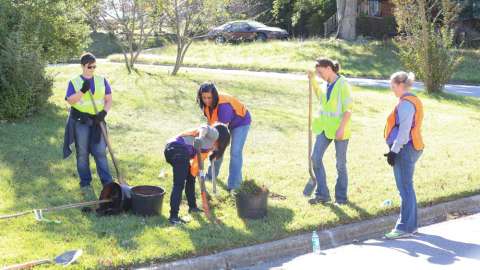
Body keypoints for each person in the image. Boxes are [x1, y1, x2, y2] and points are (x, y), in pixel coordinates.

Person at [63, 53, 113, 211]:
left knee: (100, 152)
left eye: (94, 66)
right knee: (82, 153)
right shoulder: (74, 82)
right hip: (81, 122)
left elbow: (108, 98)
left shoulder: (101, 80)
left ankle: (107, 182)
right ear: (83, 66)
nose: (92, 69)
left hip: (97, 120)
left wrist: (104, 113)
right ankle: (85, 182)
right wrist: (82, 91)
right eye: (90, 66)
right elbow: (70, 100)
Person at [307, 58, 353, 205]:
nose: (320, 75)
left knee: (340, 164)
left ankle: (341, 198)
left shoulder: (343, 85)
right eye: (318, 73)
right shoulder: (326, 84)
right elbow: (321, 97)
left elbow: (348, 110)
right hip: (324, 128)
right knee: (315, 158)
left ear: (328, 68)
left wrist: (341, 128)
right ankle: (322, 194)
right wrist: (313, 80)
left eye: (320, 72)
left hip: (340, 130)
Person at [384, 71, 424, 239]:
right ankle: (411, 226)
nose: (392, 90)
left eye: (393, 87)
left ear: (401, 85)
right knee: (407, 187)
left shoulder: (406, 104)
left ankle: (404, 228)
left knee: (405, 189)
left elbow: (404, 131)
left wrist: (394, 151)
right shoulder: (412, 100)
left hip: (405, 149)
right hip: (411, 146)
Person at [164, 123, 230, 225]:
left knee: (191, 179)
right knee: (179, 184)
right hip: (177, 148)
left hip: (175, 150)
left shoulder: (207, 147)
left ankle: (193, 207)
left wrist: (196, 175)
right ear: (222, 139)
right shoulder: (215, 134)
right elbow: (204, 128)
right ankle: (173, 217)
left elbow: (195, 168)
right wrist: (200, 137)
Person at [196, 82, 251, 192]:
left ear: (215, 96)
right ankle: (211, 176)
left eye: (209, 98)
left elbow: (221, 135)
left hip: (240, 122)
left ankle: (234, 186)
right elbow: (212, 125)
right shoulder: (206, 105)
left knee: (234, 152)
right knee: (217, 148)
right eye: (204, 97)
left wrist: (214, 145)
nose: (207, 100)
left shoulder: (224, 106)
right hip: (222, 125)